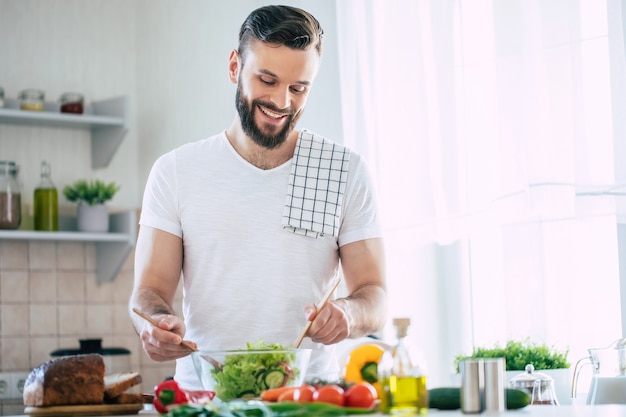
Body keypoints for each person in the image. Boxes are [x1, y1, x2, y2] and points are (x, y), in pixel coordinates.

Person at [129, 4, 387, 390]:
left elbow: (376, 297)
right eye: (267, 80)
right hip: (207, 394)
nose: (282, 102)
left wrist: (349, 313)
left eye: (298, 88)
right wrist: (155, 323)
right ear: (235, 67)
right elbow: (148, 292)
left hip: (310, 395)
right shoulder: (175, 171)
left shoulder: (343, 169)